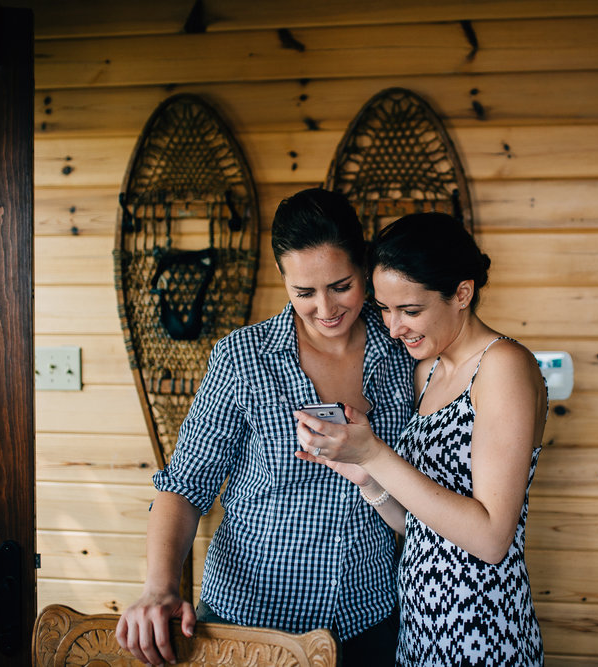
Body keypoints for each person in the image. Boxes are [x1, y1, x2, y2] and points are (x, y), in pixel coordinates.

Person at [116, 188, 416, 666]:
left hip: (368, 620)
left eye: (341, 285)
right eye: (304, 292)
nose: (325, 308)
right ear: (283, 279)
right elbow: (185, 486)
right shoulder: (242, 357)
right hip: (249, 626)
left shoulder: (406, 353)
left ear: (364, 266)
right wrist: (158, 587)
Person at [294, 212, 548, 666]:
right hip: (419, 625)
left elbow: (490, 539)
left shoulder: (503, 366)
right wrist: (367, 478)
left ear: (462, 294)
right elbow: (424, 528)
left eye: (410, 311)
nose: (394, 328)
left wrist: (375, 452)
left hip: (482, 627)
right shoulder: (426, 372)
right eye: (386, 310)